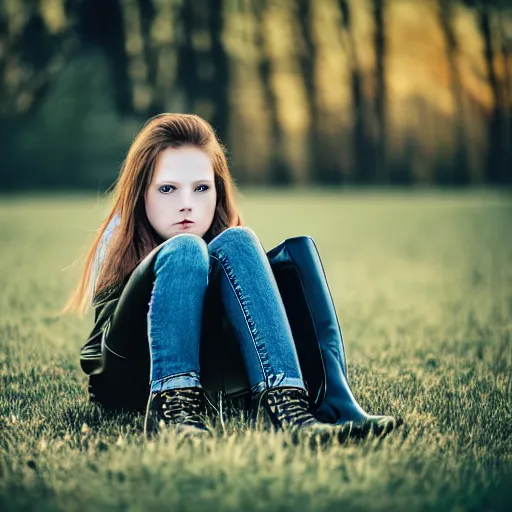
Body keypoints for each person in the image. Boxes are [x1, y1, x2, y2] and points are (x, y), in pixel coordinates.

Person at [63, 113, 401, 443]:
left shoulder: (223, 242)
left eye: (201, 188)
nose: (186, 204)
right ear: (142, 193)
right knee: (185, 249)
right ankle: (171, 411)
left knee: (240, 239)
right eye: (167, 189)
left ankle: (289, 408)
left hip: (210, 380)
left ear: (217, 191)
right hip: (130, 378)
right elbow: (102, 356)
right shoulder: (119, 236)